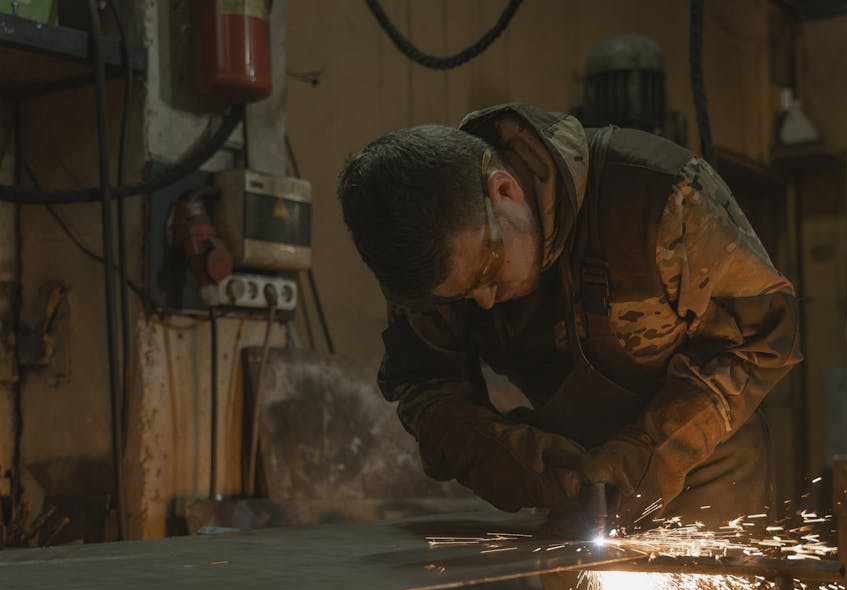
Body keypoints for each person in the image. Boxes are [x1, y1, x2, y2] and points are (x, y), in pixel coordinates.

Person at [337, 102, 801, 535]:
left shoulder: (661, 197)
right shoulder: (427, 259)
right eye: (461, 295)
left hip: (709, 467)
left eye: (488, 273)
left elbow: (760, 339)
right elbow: (426, 387)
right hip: (577, 488)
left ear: (505, 190)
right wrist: (512, 459)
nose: (482, 301)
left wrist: (651, 450)